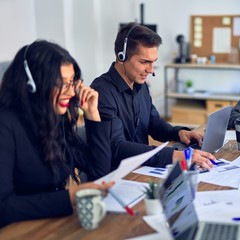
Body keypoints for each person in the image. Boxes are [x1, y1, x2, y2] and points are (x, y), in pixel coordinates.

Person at [0, 40, 114, 227]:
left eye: (72, 83)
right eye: (61, 84)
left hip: (50, 224)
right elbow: (3, 207)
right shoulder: (5, 124)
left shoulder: (55, 119)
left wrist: (92, 114)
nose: (70, 92)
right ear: (32, 84)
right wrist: (68, 197)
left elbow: (99, 171)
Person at [91, 22, 215, 171]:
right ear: (121, 57)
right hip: (116, 176)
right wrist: (175, 156)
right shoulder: (101, 92)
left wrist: (179, 133)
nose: (150, 70)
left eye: (153, 62)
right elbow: (117, 147)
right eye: (144, 62)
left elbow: (153, 122)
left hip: (143, 168)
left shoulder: (140, 84)